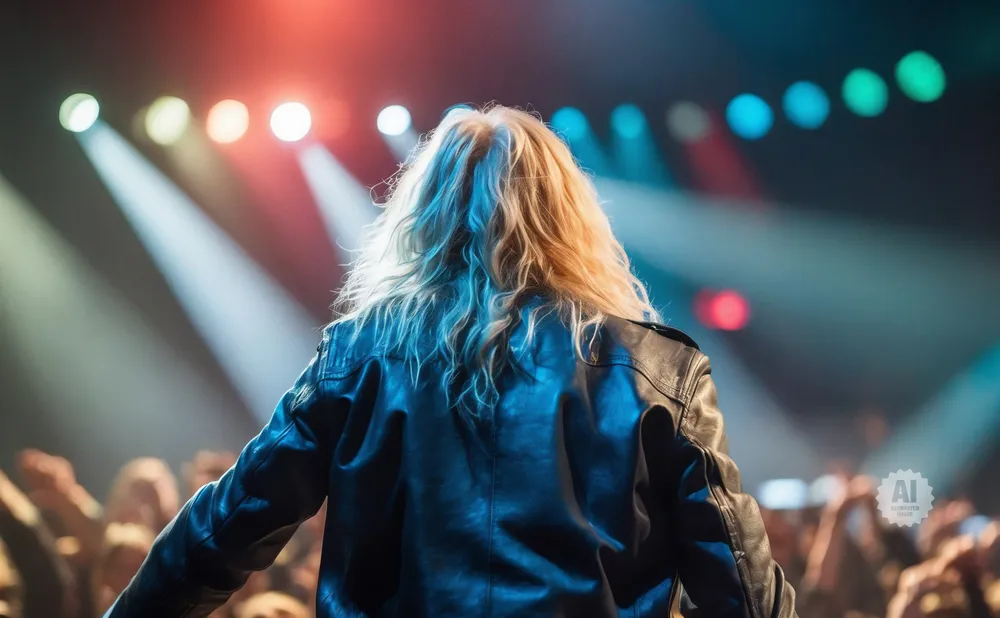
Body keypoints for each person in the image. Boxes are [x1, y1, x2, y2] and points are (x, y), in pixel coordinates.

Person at [105, 104, 797, 617]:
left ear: (424, 217)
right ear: (571, 218)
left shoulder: (360, 357)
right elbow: (744, 593)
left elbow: (224, 529)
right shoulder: (656, 372)